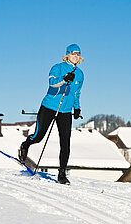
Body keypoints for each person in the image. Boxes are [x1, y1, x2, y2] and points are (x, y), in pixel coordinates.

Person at [19, 43, 84, 184]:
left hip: (65, 111)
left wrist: (77, 108)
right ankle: (25, 145)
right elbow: (52, 84)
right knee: (38, 137)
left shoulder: (80, 74)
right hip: (49, 106)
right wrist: (64, 79)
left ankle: (62, 174)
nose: (76, 56)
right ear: (67, 54)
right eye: (73, 53)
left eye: (78, 54)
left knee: (65, 143)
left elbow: (77, 93)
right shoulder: (57, 67)